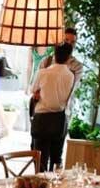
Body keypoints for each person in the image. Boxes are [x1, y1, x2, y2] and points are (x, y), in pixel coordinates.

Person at [30, 43, 75, 171]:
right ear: (69, 57)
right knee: (56, 160)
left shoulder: (42, 73)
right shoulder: (71, 76)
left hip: (42, 120)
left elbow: (33, 90)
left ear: (54, 54)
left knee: (40, 161)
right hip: (59, 120)